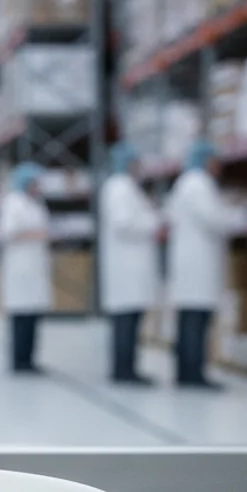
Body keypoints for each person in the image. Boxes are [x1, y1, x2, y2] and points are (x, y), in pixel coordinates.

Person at [166, 140, 245, 390]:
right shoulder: (197, 184)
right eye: (215, 160)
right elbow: (214, 218)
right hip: (197, 263)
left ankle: (187, 372)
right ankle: (192, 375)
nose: (218, 166)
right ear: (206, 160)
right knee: (195, 321)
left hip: (193, 263)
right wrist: (238, 215)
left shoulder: (188, 183)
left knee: (192, 319)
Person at [100, 142, 162, 386]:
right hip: (126, 268)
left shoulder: (126, 188)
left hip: (131, 268)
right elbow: (123, 223)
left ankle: (128, 369)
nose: (140, 167)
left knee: (131, 321)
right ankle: (123, 371)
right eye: (137, 162)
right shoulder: (119, 188)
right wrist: (153, 222)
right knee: (125, 323)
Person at [0, 162, 51, 374]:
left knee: (33, 317)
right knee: (20, 317)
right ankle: (18, 362)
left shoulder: (36, 203)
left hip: (34, 268)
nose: (38, 186)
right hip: (19, 269)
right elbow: (7, 231)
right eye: (35, 182)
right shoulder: (13, 202)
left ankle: (29, 360)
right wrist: (36, 234)